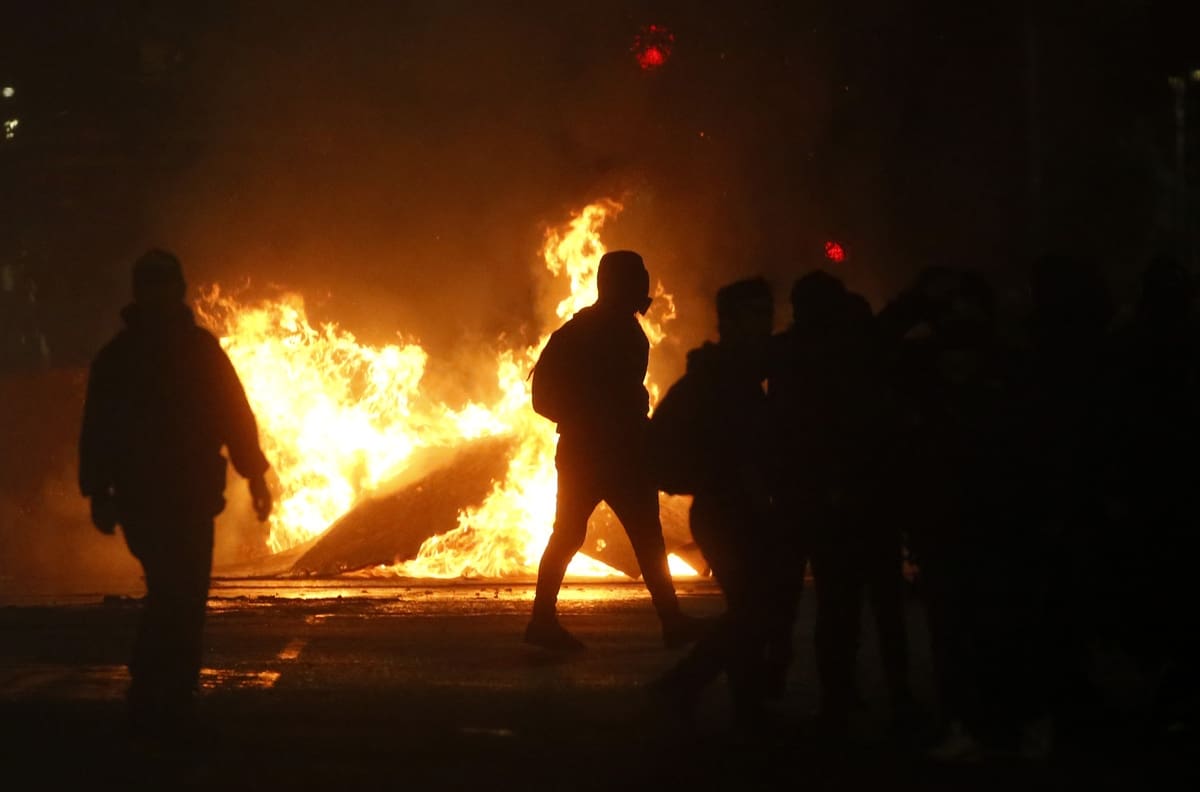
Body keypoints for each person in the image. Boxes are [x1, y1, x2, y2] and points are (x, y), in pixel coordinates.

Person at [79, 249, 273, 739]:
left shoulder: (199, 351)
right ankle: (154, 687)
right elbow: (98, 431)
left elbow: (234, 416)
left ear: (178, 290)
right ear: (140, 293)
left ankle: (171, 690)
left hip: (190, 497)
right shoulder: (119, 360)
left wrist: (256, 476)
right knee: (173, 591)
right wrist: (98, 492)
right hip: (145, 499)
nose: (160, 295)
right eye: (152, 286)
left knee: (185, 595)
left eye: (165, 286)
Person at [526, 250, 702, 652]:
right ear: (621, 284)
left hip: (591, 451)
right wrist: (601, 417)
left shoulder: (579, 331)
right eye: (638, 278)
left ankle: (542, 620)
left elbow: (545, 398)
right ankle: (670, 621)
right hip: (609, 452)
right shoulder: (614, 333)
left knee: (577, 535)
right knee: (640, 537)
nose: (645, 287)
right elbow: (554, 397)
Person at [772, 271, 914, 738]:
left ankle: (843, 699)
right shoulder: (855, 352)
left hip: (844, 501)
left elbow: (806, 430)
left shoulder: (812, 356)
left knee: (842, 608)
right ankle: (892, 698)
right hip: (863, 500)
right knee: (873, 608)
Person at [647, 276, 785, 728]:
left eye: (767, 313)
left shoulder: (739, 371)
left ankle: (744, 704)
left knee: (753, 609)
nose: (764, 324)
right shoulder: (725, 377)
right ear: (729, 322)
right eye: (753, 315)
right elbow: (738, 449)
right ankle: (682, 684)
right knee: (755, 609)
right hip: (728, 511)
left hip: (734, 508)